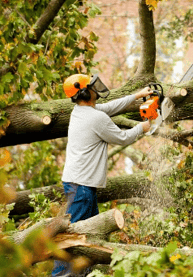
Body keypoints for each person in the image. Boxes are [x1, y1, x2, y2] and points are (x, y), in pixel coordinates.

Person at [52, 74, 152, 276]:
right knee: (72, 238)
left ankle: (84, 273)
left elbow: (112, 107)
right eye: (92, 87)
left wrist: (137, 95)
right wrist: (143, 127)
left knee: (89, 237)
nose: (96, 88)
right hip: (81, 186)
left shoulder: (81, 111)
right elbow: (122, 138)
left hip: (80, 183)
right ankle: (60, 275)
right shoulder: (95, 117)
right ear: (84, 91)